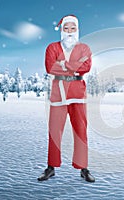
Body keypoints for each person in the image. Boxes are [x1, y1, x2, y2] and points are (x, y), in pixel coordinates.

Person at [38, 14, 95, 182]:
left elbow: (86, 67)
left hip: (78, 94)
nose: (69, 32)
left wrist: (63, 65)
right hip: (59, 95)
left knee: (81, 131)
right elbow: (50, 67)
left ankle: (83, 167)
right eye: (66, 28)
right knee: (55, 131)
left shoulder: (84, 48)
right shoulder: (52, 48)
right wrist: (74, 66)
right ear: (61, 30)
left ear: (77, 30)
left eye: (73, 28)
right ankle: (51, 167)